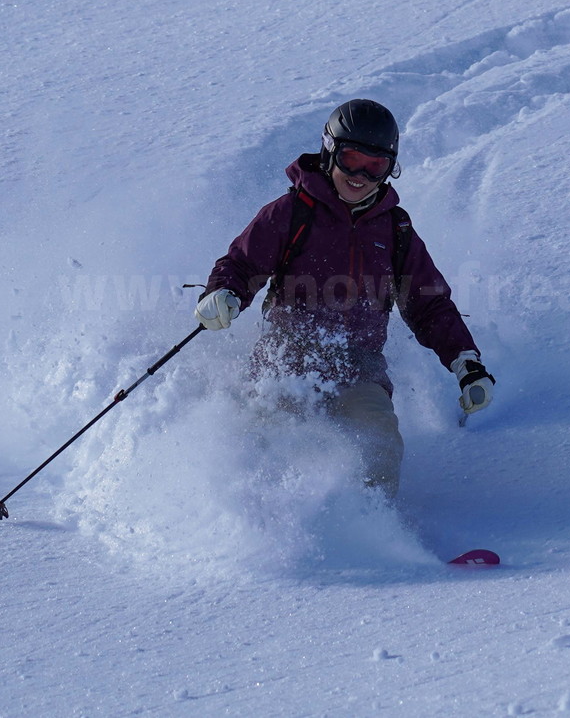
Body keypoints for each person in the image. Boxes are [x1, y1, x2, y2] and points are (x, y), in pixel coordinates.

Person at [194, 99, 494, 498]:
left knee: (379, 441)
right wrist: (224, 294)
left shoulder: (395, 229)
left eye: (376, 166)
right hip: (287, 357)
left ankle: (372, 532)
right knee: (266, 433)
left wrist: (465, 362)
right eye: (352, 159)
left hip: (359, 366)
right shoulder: (292, 213)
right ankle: (253, 521)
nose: (360, 175)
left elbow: (429, 303)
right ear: (329, 151)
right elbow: (242, 264)